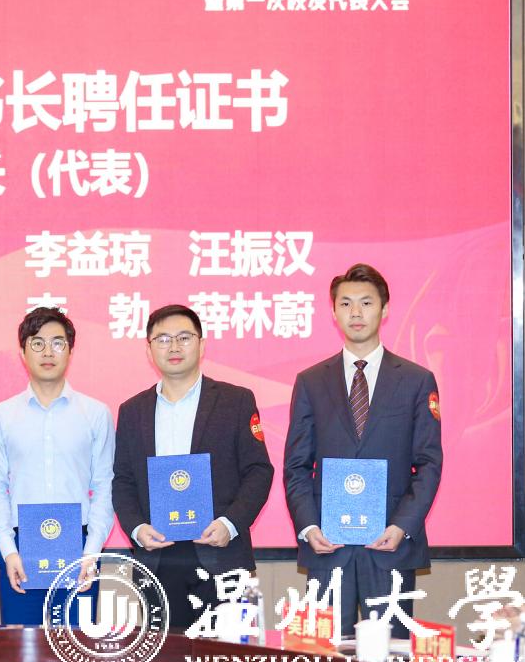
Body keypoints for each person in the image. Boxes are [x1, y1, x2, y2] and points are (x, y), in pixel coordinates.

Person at [283, 263, 443, 638]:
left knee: (389, 657)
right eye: (346, 304)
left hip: (389, 545)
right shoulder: (310, 381)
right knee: (323, 655)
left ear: (384, 310)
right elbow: (296, 465)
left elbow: (429, 463)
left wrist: (402, 526)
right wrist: (309, 526)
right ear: (334, 312)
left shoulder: (417, 380)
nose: (356, 312)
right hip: (328, 546)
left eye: (366, 303)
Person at [111, 304, 274, 631]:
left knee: (228, 656)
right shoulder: (132, 410)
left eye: (184, 337)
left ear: (201, 344)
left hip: (222, 553)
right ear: (149, 350)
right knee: (166, 656)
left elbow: (259, 471)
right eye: (163, 339)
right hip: (158, 559)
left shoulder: (236, 401)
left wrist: (230, 524)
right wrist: (137, 528)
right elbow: (123, 481)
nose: (174, 347)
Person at [0, 306, 115, 625]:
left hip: (80, 550)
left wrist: (92, 551)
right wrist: (8, 550)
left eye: (57, 343)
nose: (47, 352)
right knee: (21, 649)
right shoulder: (1, 415)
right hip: (19, 550)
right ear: (22, 352)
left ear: (70, 351)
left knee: (74, 648)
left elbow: (105, 485)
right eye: (37, 343)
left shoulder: (95, 413)